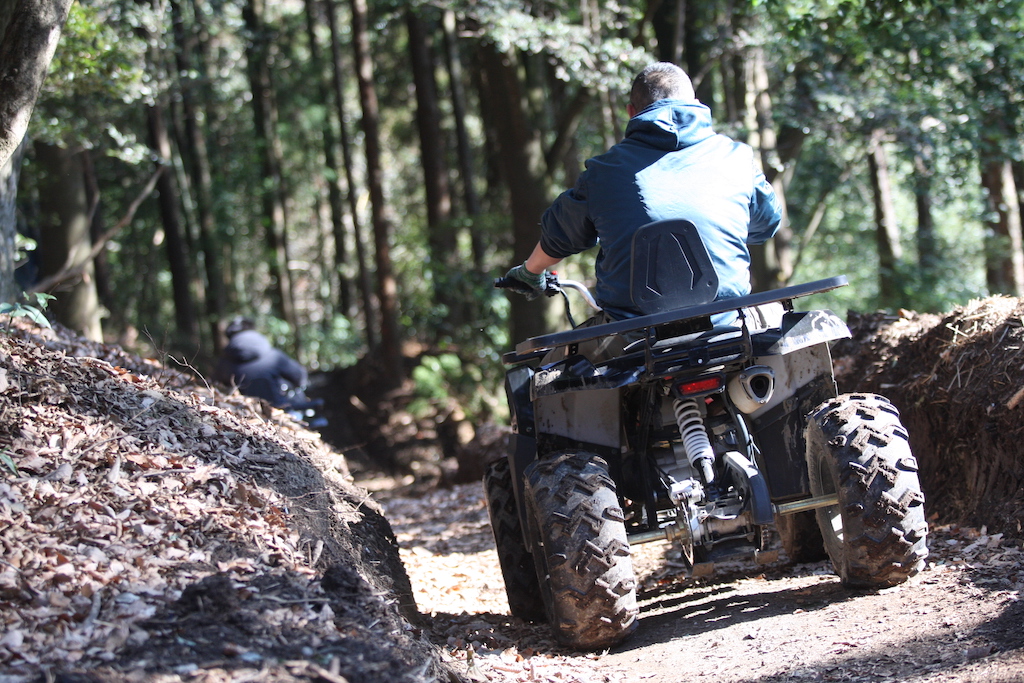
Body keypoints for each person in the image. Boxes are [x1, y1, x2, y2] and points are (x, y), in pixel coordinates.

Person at [504, 62, 783, 330]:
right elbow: (767, 223)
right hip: (727, 324)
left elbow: (560, 235)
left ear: (631, 112)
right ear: (695, 103)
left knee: (561, 357)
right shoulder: (737, 158)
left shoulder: (602, 172)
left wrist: (530, 272)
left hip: (633, 334)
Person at [213, 316, 312, 410]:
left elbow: (217, 387)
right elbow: (299, 376)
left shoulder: (223, 364)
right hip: (280, 409)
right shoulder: (274, 356)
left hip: (243, 412)